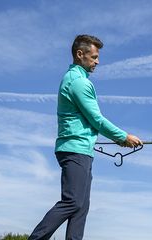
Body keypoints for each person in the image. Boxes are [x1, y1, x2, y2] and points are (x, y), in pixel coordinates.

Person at [28, 34, 142, 240]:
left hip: (81, 150)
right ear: (80, 54)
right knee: (73, 202)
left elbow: (90, 121)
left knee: (81, 207)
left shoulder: (77, 80)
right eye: (94, 56)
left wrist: (119, 138)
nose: (98, 62)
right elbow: (96, 119)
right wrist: (123, 137)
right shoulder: (78, 82)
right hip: (74, 150)